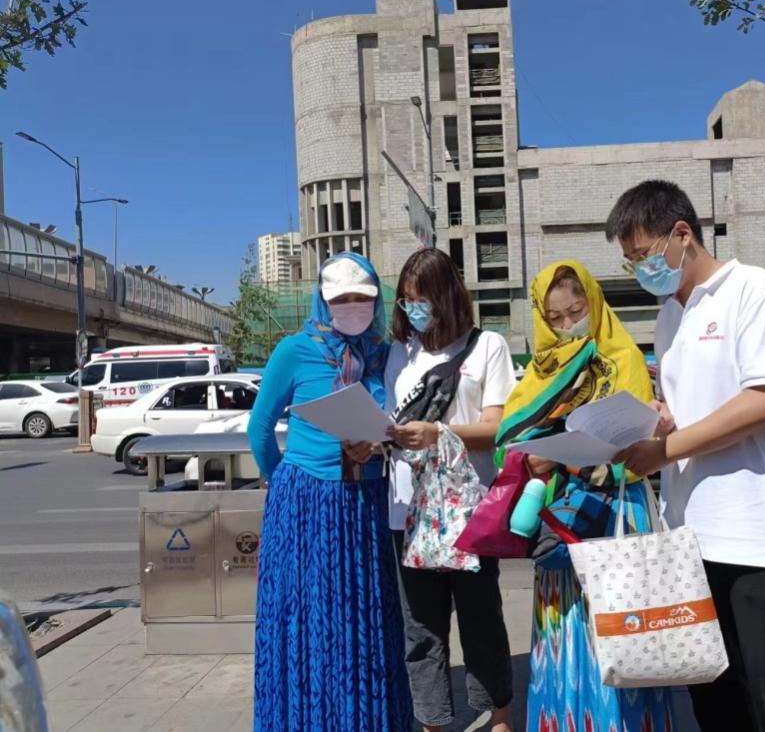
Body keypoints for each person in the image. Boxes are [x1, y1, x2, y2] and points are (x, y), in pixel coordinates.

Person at [610, 180, 765, 731]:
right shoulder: (669, 317)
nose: (640, 270)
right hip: (692, 541)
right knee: (717, 708)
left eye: (644, 255)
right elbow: (697, 408)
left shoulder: (754, 289)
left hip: (760, 544)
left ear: (682, 234)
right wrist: (661, 418)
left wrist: (664, 450)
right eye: (631, 262)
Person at [496, 260, 678, 732]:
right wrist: (534, 457)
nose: (567, 325)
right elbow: (508, 442)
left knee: (625, 631)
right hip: (562, 521)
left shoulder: (623, 358)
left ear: (593, 303)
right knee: (567, 632)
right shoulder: (539, 372)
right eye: (554, 318)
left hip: (618, 514)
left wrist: (572, 460)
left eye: (575, 312)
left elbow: (639, 445)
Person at [247, 253, 412, 732]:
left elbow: (400, 424)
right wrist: (285, 482)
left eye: (362, 297)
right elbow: (260, 429)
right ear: (323, 300)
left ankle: (367, 718)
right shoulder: (294, 351)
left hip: (367, 503)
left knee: (365, 615)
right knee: (307, 614)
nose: (353, 306)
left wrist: (380, 445)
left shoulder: (387, 355)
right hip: (306, 503)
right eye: (342, 298)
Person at [384, 247, 515, 732]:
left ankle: (498, 715)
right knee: (421, 627)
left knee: (481, 618)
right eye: (406, 300)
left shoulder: (487, 346)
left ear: (447, 296)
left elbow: (497, 428)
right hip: (408, 508)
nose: (414, 309)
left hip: (467, 509)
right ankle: (433, 722)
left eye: (423, 299)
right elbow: (390, 422)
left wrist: (439, 433)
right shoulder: (400, 353)